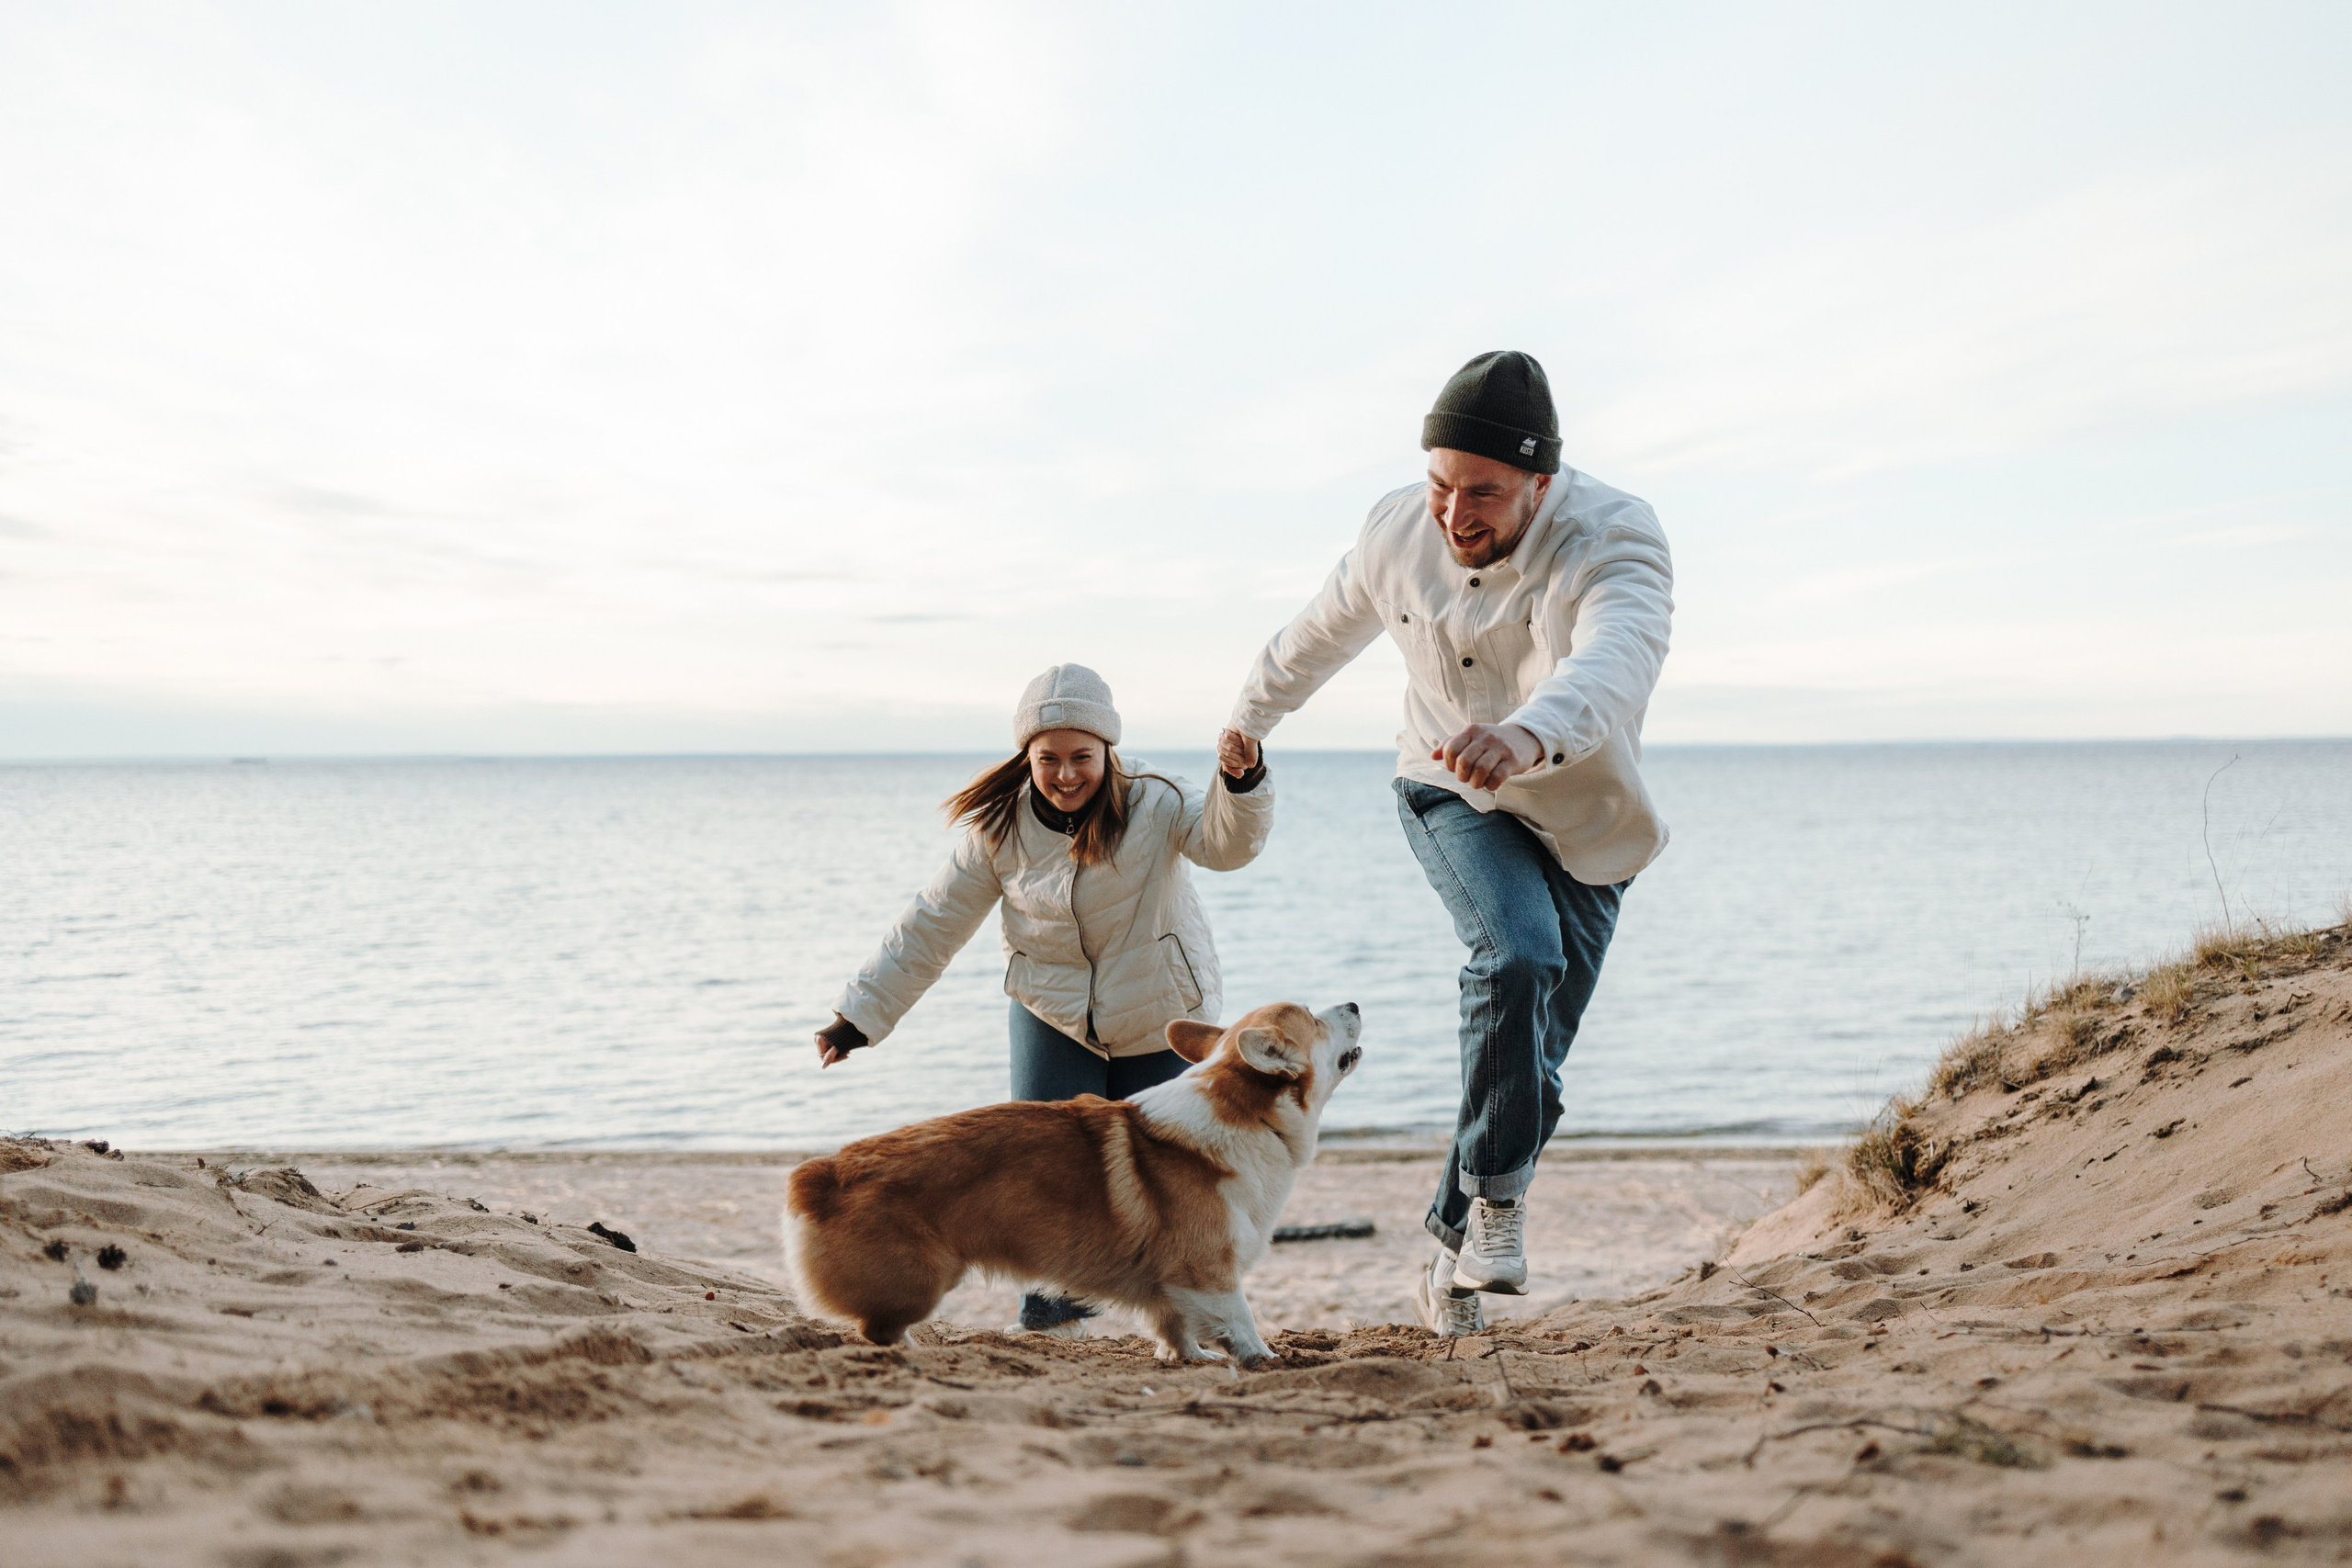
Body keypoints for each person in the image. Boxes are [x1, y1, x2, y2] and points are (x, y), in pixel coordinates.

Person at [1216, 350, 1672, 1337]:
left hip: (1584, 820)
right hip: (1449, 786)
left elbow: (1616, 658)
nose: (1454, 514)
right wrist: (1249, 718)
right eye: (1440, 485)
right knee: (1516, 957)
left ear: (1541, 482)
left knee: (1532, 1071)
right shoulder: (1396, 532)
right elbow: (1318, 631)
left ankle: (1448, 1258)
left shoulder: (1616, 536)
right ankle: (1499, 1207)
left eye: (1483, 492)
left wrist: (1527, 732)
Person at [814, 662, 1273, 1335]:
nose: (1065, 774)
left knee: (1176, 1179)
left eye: (1081, 756)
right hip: (1052, 1013)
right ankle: (1051, 1321)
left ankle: (1186, 1319)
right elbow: (933, 923)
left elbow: (1227, 846)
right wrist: (859, 1015)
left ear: (1107, 750)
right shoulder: (999, 829)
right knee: (1047, 1174)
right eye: (1048, 758)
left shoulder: (1157, 800)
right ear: (1026, 757)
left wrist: (1242, 783)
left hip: (1161, 1014)